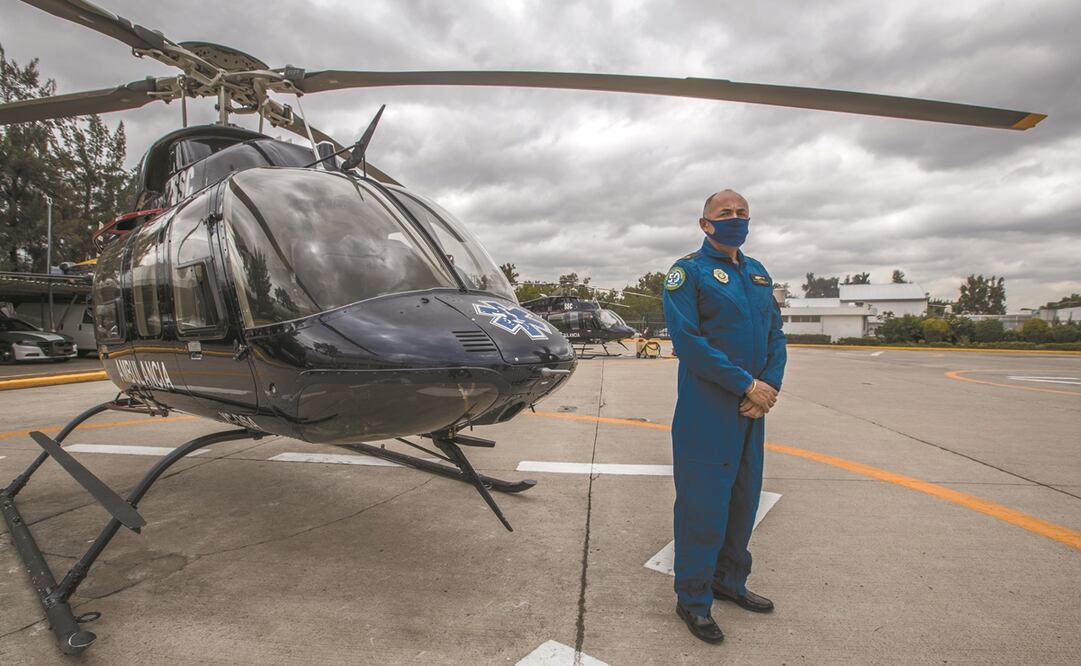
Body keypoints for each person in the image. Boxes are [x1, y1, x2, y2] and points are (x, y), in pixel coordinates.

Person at [661, 189, 787, 644]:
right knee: (702, 506)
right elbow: (689, 342)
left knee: (743, 500)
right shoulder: (687, 274)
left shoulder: (757, 273)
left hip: (753, 409)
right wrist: (746, 384)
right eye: (725, 213)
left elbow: (776, 334)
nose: (735, 218)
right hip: (707, 407)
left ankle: (730, 581)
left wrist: (767, 388)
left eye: (742, 213)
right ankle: (693, 599)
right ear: (704, 224)